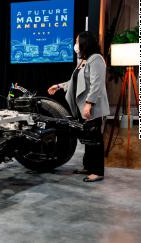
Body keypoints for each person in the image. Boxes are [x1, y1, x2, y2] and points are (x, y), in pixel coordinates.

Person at [48, 31, 109, 182]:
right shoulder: (82, 60)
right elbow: (75, 82)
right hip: (81, 107)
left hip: (92, 107)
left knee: (95, 139)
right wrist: (59, 86)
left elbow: (97, 84)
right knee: (88, 138)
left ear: (84, 42)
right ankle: (88, 167)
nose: (75, 44)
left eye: (77, 41)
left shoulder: (96, 59)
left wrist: (89, 104)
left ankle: (98, 171)